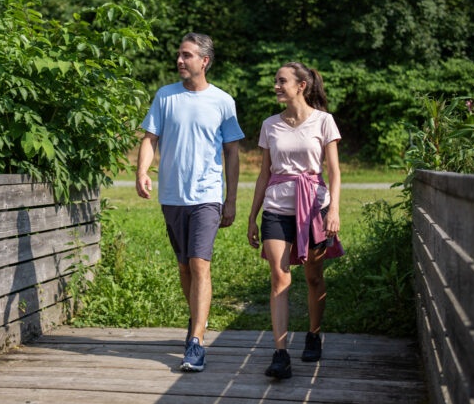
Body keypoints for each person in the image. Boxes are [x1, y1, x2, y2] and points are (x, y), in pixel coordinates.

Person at [136, 33, 244, 372]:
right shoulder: (165, 97)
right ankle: (197, 321)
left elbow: (233, 151)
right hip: (172, 197)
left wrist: (231, 199)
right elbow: (149, 138)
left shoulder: (223, 101)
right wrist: (142, 171)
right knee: (184, 267)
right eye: (179, 55)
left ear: (204, 61)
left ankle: (196, 342)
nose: (180, 61)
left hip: (207, 197)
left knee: (200, 265)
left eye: (187, 55)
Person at [246, 62, 343, 380]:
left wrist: (334, 211)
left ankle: (314, 333)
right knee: (280, 279)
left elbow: (334, 172)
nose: (276, 85)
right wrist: (253, 215)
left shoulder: (324, 122)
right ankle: (280, 353)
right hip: (276, 209)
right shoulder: (270, 125)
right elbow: (264, 174)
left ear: (301, 85)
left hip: (314, 208)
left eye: (281, 80)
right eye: (275, 80)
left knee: (314, 277)